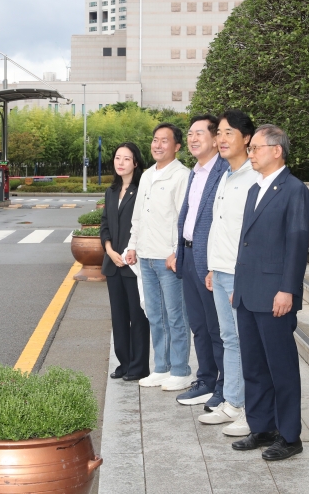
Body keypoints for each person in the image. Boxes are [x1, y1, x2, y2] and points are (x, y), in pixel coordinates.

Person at [229, 124, 309, 461]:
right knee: (254, 365)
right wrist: (237, 286)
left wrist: (287, 290)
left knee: (282, 367)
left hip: (275, 294)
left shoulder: (294, 190)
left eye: (256, 148)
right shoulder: (254, 189)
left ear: (277, 150)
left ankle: (289, 436)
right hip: (249, 293)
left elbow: (296, 243)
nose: (251, 154)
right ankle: (262, 427)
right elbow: (245, 244)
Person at [199, 109, 258, 437]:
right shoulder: (225, 176)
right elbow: (219, 227)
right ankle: (234, 402)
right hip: (220, 270)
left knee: (248, 342)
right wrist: (212, 267)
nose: (221, 139)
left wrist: (244, 276)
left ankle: (253, 410)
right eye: (218, 133)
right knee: (231, 339)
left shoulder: (254, 177)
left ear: (247, 138)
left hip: (240, 274)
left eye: (228, 133)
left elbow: (252, 234)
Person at [126, 123, 192, 392]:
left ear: (177, 146)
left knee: (176, 315)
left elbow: (183, 218)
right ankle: (161, 368)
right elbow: (138, 215)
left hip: (168, 259)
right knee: (155, 314)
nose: (158, 145)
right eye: (155, 140)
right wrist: (132, 246)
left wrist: (177, 251)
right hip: (146, 256)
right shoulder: (147, 176)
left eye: (165, 141)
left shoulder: (182, 176)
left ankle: (180, 370)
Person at [173, 115, 230, 407]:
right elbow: (188, 216)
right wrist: (178, 251)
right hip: (189, 256)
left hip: (210, 261)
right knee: (198, 324)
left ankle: (224, 386)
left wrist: (212, 265)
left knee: (216, 327)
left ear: (215, 138)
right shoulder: (195, 172)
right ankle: (206, 379)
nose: (193, 139)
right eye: (190, 134)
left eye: (200, 133)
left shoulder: (223, 171)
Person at [100, 142, 151, 382]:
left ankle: (139, 366)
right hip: (113, 263)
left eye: (126, 159)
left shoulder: (142, 190)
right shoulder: (111, 191)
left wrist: (131, 250)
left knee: (137, 316)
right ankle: (124, 363)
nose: (120, 163)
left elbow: (143, 226)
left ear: (136, 163)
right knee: (119, 316)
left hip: (133, 263)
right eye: (117, 158)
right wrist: (109, 250)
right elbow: (105, 225)